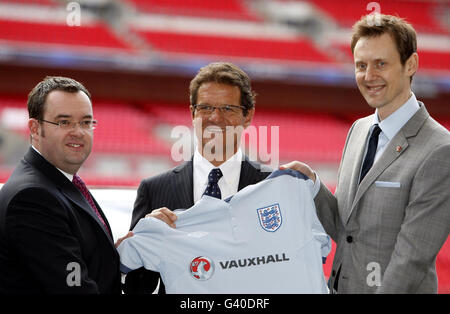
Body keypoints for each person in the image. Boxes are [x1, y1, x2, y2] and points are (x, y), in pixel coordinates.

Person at [283, 14, 450, 293]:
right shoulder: (358, 130)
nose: (369, 76)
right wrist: (312, 184)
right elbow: (346, 230)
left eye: (380, 64)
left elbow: (411, 260)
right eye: (361, 65)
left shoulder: (440, 150)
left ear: (411, 64)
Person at [124, 62, 272, 294]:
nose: (215, 118)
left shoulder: (272, 186)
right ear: (192, 113)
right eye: (205, 108)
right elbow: (138, 287)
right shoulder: (154, 189)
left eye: (228, 109)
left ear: (247, 116)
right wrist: (142, 242)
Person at [0, 76, 122, 293]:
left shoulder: (60, 181)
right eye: (64, 122)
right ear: (35, 128)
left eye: (86, 122)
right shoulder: (32, 197)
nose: (78, 132)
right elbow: (73, 288)